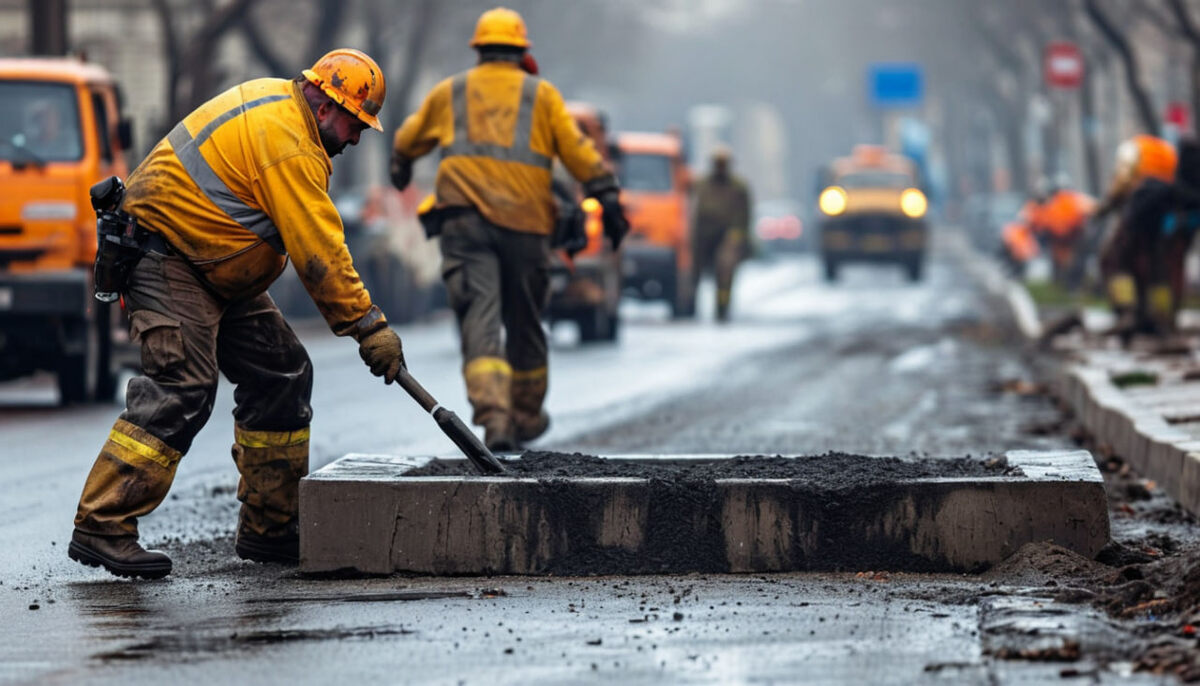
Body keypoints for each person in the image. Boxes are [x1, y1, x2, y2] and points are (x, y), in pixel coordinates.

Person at [69, 49, 405, 580]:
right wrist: (368, 326)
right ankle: (102, 524)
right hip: (168, 256)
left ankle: (269, 529)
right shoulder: (290, 144)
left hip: (213, 263)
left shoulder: (283, 108)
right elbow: (319, 252)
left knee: (283, 373)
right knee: (184, 383)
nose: (356, 137)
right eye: (355, 123)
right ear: (324, 107)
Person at [389, 7, 627, 451]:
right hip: (527, 224)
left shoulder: (451, 93)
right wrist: (607, 195)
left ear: (478, 50)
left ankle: (494, 417)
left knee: (479, 316)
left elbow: (407, 140)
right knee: (526, 320)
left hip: (464, 223)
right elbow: (578, 153)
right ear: (522, 52)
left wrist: (401, 166)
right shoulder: (543, 97)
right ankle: (526, 415)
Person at [1102, 138, 1200, 340]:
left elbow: (1120, 203)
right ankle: (1160, 320)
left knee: (1119, 265)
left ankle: (1129, 313)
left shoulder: (1148, 185)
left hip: (1142, 233)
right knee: (1160, 276)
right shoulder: (1182, 192)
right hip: (1163, 235)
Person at [692, 146, 751, 322]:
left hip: (727, 235)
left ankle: (722, 309)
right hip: (702, 235)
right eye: (718, 163)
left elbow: (744, 216)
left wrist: (736, 237)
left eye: (723, 164)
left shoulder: (739, 187)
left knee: (725, 273)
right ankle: (689, 305)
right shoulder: (701, 185)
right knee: (694, 272)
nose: (720, 167)